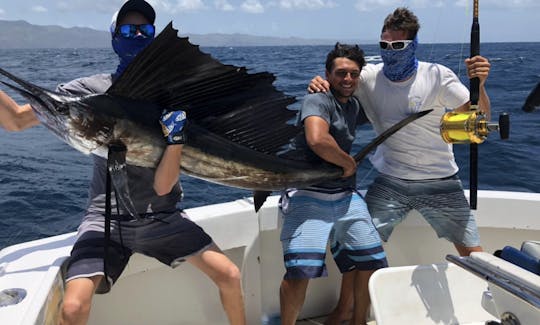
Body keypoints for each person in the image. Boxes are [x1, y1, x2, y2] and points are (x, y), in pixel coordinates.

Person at [0, 1, 246, 324]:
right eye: (130, 29)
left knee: (230, 275)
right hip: (106, 220)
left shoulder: (173, 98)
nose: (138, 34)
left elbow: (163, 185)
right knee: (72, 308)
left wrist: (175, 140)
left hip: (163, 215)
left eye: (145, 30)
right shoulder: (90, 92)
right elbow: (17, 120)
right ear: (114, 35)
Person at [308, 7, 492, 323]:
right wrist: (319, 83)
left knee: (473, 253)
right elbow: (342, 81)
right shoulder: (367, 77)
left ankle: (497, 306)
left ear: (413, 45)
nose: (390, 52)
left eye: (399, 46)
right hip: (390, 180)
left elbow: (480, 120)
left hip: (440, 180)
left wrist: (481, 84)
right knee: (358, 248)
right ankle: (346, 310)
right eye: (385, 45)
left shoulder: (438, 76)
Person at [278, 43, 388, 325]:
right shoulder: (318, 100)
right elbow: (317, 140)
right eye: (341, 73)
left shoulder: (353, 105)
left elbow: (386, 110)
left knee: (371, 262)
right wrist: (347, 163)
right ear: (327, 74)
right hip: (307, 194)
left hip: (344, 196)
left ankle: (357, 321)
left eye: (353, 74)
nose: (347, 79)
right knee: (300, 272)